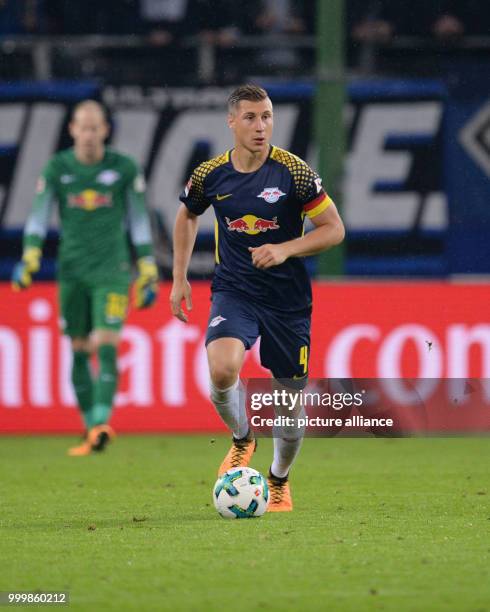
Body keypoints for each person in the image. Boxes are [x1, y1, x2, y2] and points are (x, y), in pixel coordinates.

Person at [170, 84, 344, 512]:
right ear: (231, 122)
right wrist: (179, 278)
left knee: (288, 402)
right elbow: (187, 215)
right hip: (236, 290)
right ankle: (242, 437)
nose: (260, 126)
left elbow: (334, 229)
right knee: (223, 368)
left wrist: (285, 248)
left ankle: (279, 479)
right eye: (250, 117)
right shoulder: (212, 174)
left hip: (287, 301)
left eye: (266, 117)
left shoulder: (295, 172)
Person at [12, 100, 158, 456]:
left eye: (96, 128)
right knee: (79, 349)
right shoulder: (58, 168)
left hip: (112, 271)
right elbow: (38, 214)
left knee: (107, 343)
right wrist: (30, 253)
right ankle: (93, 428)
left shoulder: (123, 168)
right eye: (83, 127)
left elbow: (138, 219)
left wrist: (148, 265)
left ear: (105, 130)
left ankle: (102, 421)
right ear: (73, 130)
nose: (90, 134)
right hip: (72, 272)